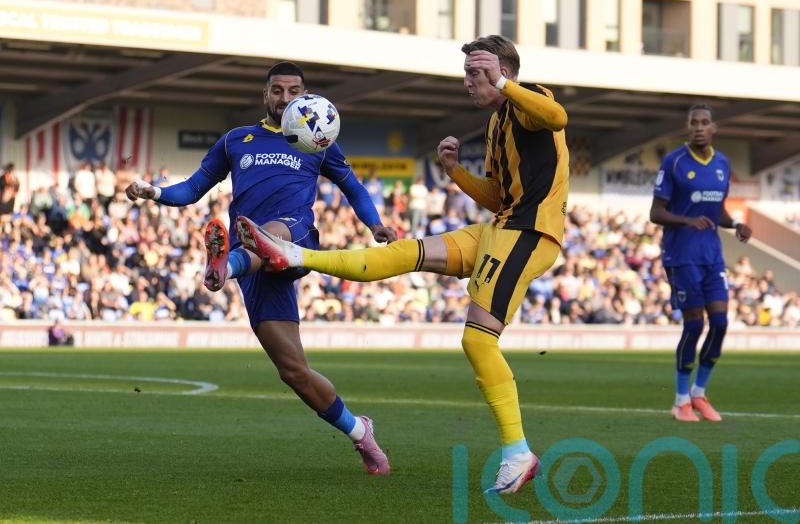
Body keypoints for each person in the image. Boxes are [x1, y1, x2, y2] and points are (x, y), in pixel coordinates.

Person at [237, 35, 569, 494]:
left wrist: (505, 84)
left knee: (477, 339)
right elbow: (498, 196)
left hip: (531, 233)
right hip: (502, 226)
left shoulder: (531, 101)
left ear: (503, 72)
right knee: (408, 252)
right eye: (469, 74)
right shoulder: (495, 127)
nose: (470, 83)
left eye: (478, 74)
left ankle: (517, 451)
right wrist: (455, 172)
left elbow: (558, 118)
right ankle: (299, 255)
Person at [125, 61, 395, 475]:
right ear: (264, 95)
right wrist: (154, 191)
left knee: (267, 234)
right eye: (277, 90)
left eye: (294, 91)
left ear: (305, 95)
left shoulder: (317, 140)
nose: (285, 98)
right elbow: (193, 189)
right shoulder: (237, 140)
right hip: (257, 267)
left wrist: (375, 224)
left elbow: (353, 188)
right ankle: (360, 431)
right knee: (294, 372)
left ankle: (224, 267)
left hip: (296, 238)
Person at [650, 103, 752, 423]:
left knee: (720, 324)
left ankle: (699, 393)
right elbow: (656, 212)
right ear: (687, 127)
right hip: (681, 255)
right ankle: (680, 401)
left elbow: (717, 210)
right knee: (694, 324)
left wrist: (734, 224)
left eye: (704, 122)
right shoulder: (675, 162)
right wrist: (685, 221)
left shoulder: (722, 163)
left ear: (713, 128)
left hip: (711, 255)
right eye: (693, 122)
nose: (698, 127)